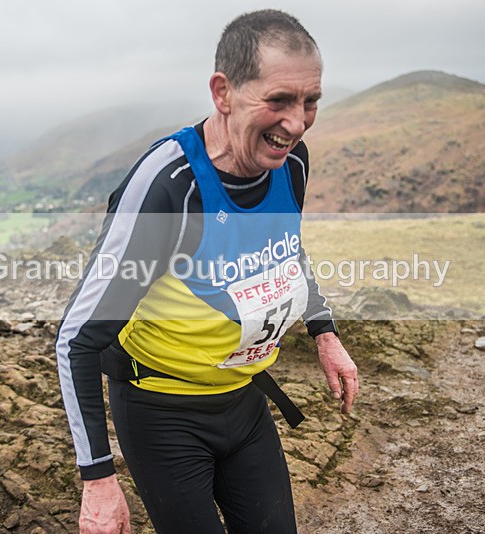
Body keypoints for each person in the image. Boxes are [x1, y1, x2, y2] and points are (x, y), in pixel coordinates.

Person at [56, 9, 359, 534]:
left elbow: (285, 252)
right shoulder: (171, 187)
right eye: (279, 100)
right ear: (223, 92)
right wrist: (99, 481)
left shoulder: (292, 162)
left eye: (311, 101)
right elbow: (78, 339)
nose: (297, 121)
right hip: (162, 413)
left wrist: (325, 331)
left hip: (243, 401)